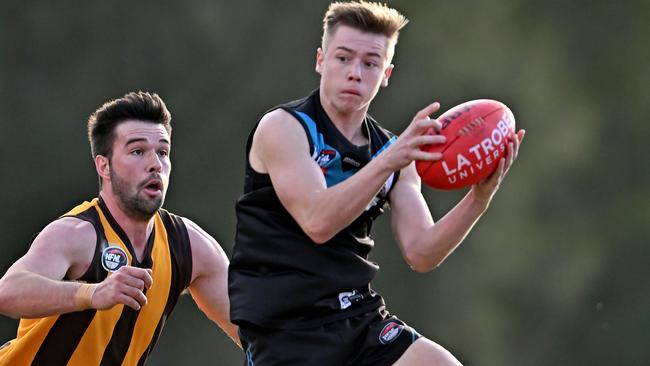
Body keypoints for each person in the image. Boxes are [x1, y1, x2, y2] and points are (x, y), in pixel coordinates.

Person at [228, 1, 525, 365]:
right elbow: (317, 222)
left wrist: (478, 199)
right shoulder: (284, 128)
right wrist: (389, 161)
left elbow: (421, 252)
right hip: (285, 329)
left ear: (386, 73)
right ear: (321, 60)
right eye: (343, 58)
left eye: (370, 63)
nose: (355, 72)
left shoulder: (394, 151)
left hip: (357, 318)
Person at [0, 91, 239, 365]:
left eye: (163, 152)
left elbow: (256, 331)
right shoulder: (78, 233)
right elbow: (8, 291)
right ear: (104, 166)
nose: (155, 165)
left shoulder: (191, 247)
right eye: (138, 151)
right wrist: (93, 293)